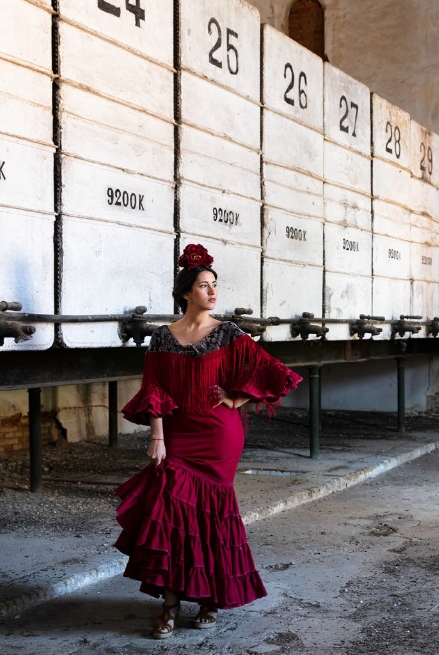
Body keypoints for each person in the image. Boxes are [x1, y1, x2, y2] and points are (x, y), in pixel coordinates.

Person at [115, 243, 302, 639]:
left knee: (209, 517)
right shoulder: (162, 339)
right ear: (186, 292)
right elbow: (154, 389)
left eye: (215, 285)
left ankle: (209, 599)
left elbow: (274, 373)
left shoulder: (229, 333)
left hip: (219, 436)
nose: (213, 292)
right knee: (170, 514)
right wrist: (158, 435)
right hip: (178, 435)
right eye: (204, 285)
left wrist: (236, 398)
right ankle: (169, 604)